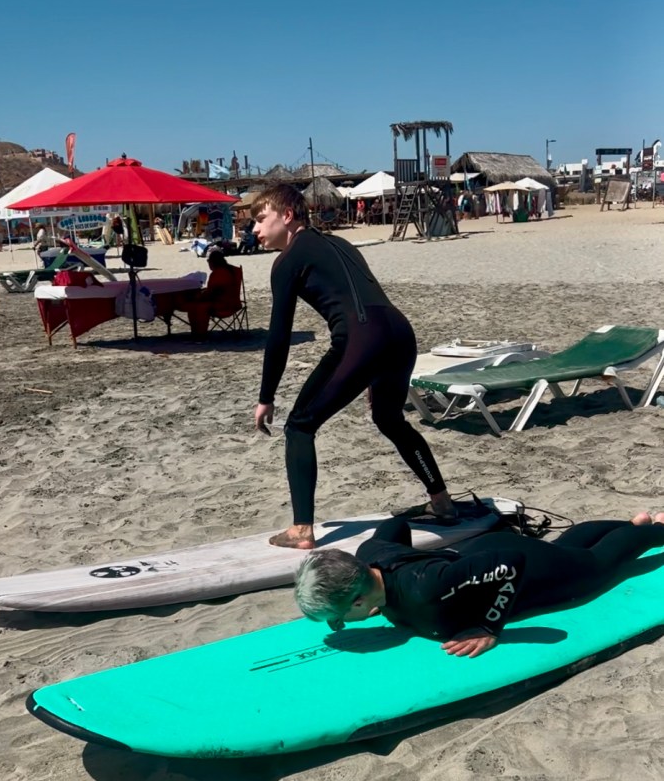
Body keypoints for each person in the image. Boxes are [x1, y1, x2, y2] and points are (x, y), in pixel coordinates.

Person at [251, 182, 455, 551]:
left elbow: (278, 335)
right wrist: (370, 368)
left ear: (287, 215)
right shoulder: (341, 244)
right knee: (389, 419)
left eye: (261, 219)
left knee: (299, 426)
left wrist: (266, 397)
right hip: (398, 332)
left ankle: (301, 530)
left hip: (362, 339)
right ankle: (441, 501)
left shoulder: (287, 261)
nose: (255, 230)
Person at [294, 511, 664, 657]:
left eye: (337, 618)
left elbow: (512, 564)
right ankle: (634, 525)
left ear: (357, 601)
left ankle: (655, 531)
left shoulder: (426, 590)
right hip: (479, 554)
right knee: (563, 544)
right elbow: (394, 526)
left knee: (593, 564)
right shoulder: (371, 552)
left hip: (533, 571)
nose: (339, 623)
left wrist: (489, 626)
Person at [187, 247, 241, 339]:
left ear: (213, 262)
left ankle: (199, 334)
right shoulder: (233, 270)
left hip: (224, 305)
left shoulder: (219, 273)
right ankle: (198, 333)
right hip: (234, 302)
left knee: (195, 306)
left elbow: (214, 293)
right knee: (196, 304)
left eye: (208, 261)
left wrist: (199, 296)